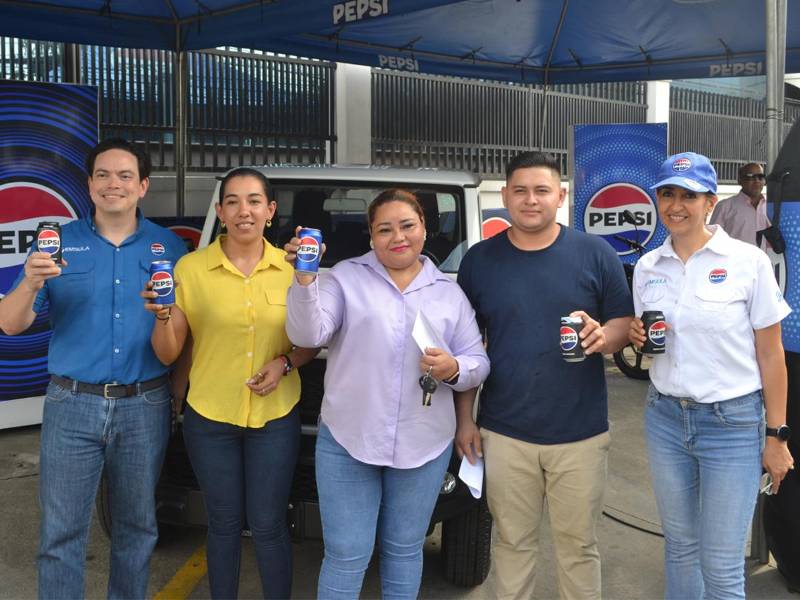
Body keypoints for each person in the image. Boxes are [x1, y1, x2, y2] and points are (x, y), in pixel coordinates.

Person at [0, 138, 186, 599]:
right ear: (89, 184)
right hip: (71, 403)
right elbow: (10, 323)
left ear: (143, 186)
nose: (113, 184)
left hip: (144, 404)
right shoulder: (58, 243)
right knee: (60, 534)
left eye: (125, 175)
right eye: (102, 174)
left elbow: (180, 336)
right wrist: (30, 279)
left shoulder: (171, 247)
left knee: (137, 528)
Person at [284, 188, 490, 600]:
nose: (398, 236)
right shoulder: (343, 276)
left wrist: (454, 368)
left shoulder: (449, 293)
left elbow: (478, 362)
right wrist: (305, 279)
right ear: (371, 236)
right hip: (348, 440)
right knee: (345, 554)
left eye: (407, 225)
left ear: (424, 228)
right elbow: (308, 334)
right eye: (384, 229)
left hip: (423, 443)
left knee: (403, 550)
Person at [456, 151, 633, 600]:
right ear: (504, 196)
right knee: (513, 544)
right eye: (520, 190)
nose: (530, 200)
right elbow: (467, 347)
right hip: (504, 431)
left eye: (541, 190)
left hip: (580, 433)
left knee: (577, 547)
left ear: (561, 196)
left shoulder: (594, 254)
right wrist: (465, 420)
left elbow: (621, 322)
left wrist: (603, 338)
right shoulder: (480, 261)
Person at [142, 167, 317, 599]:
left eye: (254, 201)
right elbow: (168, 352)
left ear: (270, 211)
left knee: (269, 523)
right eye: (233, 201)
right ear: (220, 211)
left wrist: (285, 363)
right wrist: (162, 316)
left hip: (274, 419)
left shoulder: (293, 270)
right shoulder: (190, 268)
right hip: (210, 417)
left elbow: (311, 342)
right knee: (222, 524)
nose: (244, 211)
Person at [628, 152, 794, 600]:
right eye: (667, 193)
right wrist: (638, 335)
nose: (676, 204)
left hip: (732, 425)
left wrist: (777, 436)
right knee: (680, 549)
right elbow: (651, 338)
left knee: (720, 566)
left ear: (709, 202)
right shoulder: (648, 267)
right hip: (665, 418)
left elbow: (771, 354)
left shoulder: (747, 262)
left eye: (688, 195)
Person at [709, 162, 770, 249]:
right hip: (732, 261)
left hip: (764, 261)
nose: (757, 181)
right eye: (750, 176)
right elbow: (713, 239)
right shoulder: (725, 206)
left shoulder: (770, 208)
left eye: (760, 177)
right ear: (740, 180)